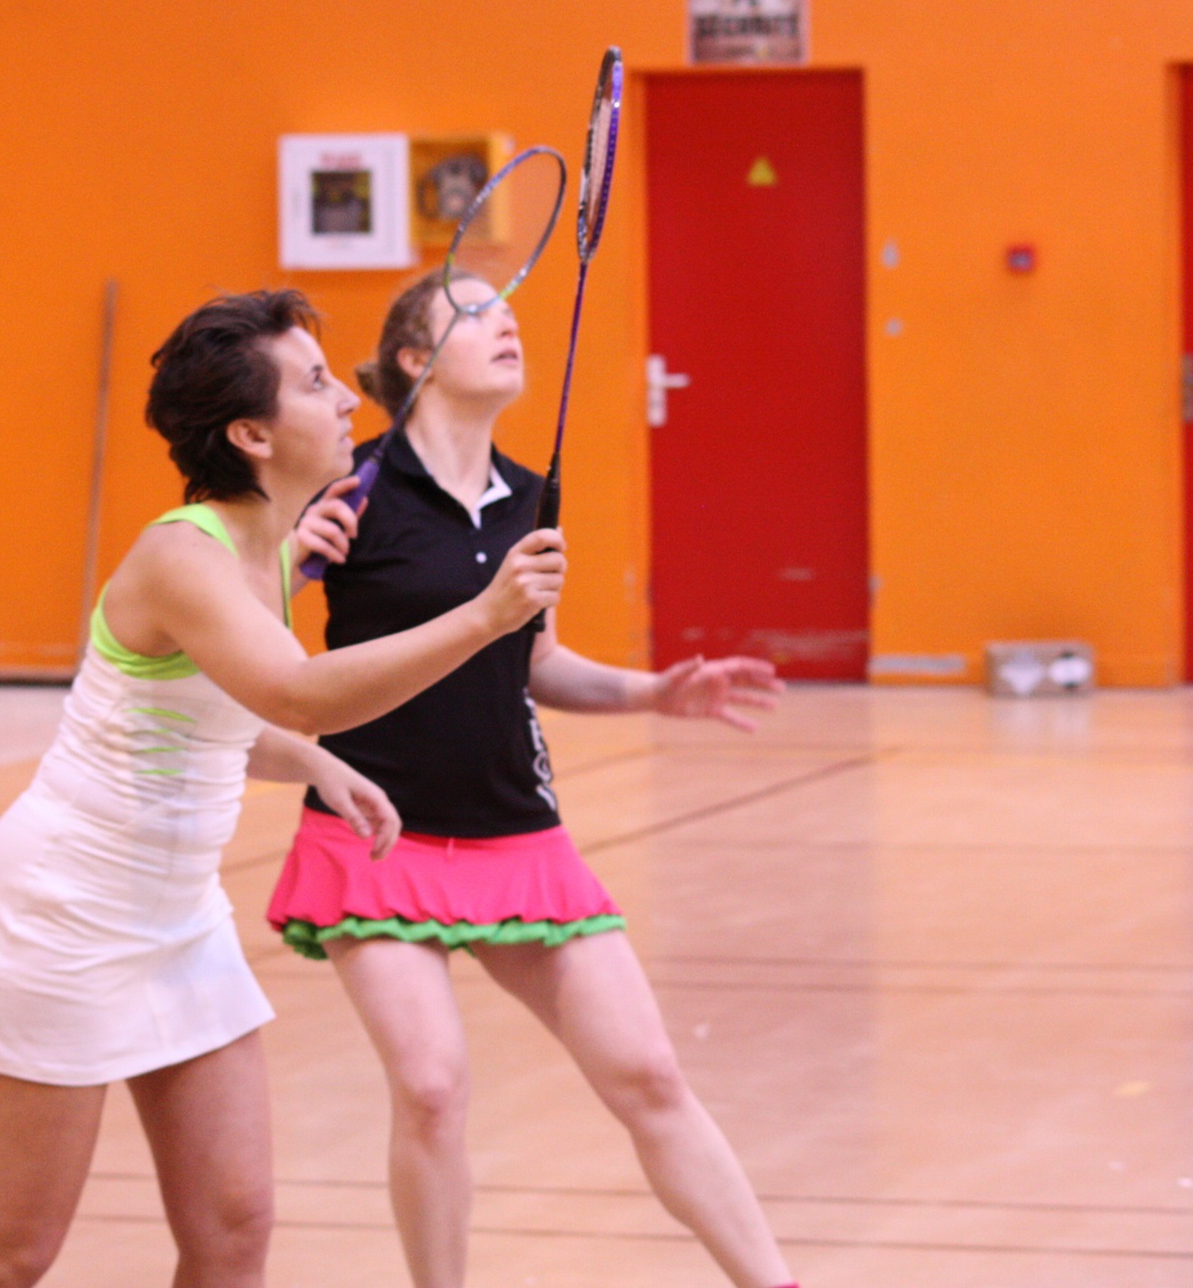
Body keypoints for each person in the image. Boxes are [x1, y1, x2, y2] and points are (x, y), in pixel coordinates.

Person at [0, 289, 566, 1288]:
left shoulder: (269, 550)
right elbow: (295, 691)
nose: (348, 399)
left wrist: (318, 765)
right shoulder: (183, 554)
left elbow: (212, 718)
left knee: (232, 1231)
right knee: (9, 1251)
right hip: (64, 912)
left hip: (177, 916)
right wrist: (485, 616)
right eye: (315, 383)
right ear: (251, 434)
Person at [272, 270, 800, 1288]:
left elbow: (535, 661)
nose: (505, 321)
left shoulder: (530, 496)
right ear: (416, 360)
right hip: (377, 835)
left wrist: (656, 692)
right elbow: (250, 630)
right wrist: (289, 557)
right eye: (473, 312)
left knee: (648, 1072)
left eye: (508, 310)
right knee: (432, 1088)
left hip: (516, 833)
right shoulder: (353, 487)